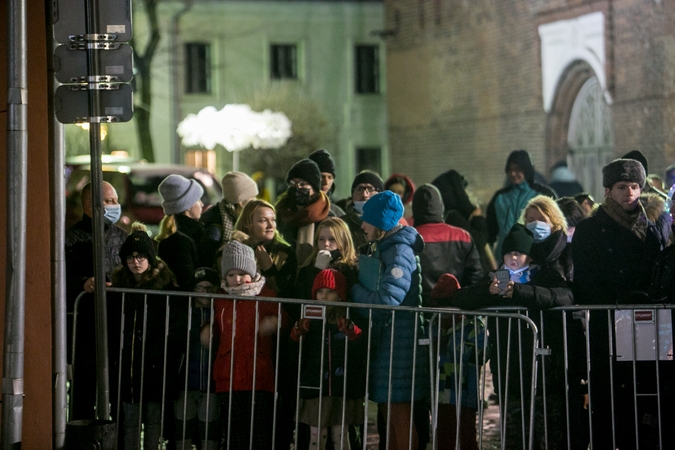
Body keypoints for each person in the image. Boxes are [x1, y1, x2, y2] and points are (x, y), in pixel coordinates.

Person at [451, 224, 578, 449]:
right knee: (514, 437)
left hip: (543, 371)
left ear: (529, 256)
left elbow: (564, 297)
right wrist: (486, 291)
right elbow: (462, 299)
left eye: (518, 253)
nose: (513, 258)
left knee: (549, 436)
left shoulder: (544, 275)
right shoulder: (495, 279)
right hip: (509, 371)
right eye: (509, 253)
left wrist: (520, 292)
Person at [573, 158, 669, 450]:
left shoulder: (650, 230)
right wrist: (613, 303)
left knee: (645, 398)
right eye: (622, 186)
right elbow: (585, 280)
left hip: (645, 325)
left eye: (634, 186)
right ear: (608, 191)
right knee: (611, 396)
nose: (629, 192)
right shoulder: (590, 229)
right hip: (609, 324)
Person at [351, 191, 428, 450]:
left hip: (400, 344)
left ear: (381, 223)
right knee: (391, 415)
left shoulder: (398, 252)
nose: (362, 225)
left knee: (399, 416)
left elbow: (388, 301)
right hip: (392, 342)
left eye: (367, 219)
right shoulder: (389, 248)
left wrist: (353, 291)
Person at [108, 223, 180, 450]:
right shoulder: (119, 286)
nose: (135, 262)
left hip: (155, 365)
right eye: (130, 257)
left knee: (153, 421)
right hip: (128, 365)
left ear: (150, 258)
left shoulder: (165, 287)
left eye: (140, 257)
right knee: (130, 421)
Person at [204, 240, 281, 450]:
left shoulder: (266, 296)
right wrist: (208, 331)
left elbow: (283, 316)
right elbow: (214, 324)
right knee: (234, 429)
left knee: (258, 428)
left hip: (259, 373)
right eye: (230, 274)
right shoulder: (220, 298)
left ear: (252, 271)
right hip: (228, 374)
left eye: (241, 273)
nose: (237, 279)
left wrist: (275, 322)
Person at [65, 181, 128, 420]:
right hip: (85, 328)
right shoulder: (71, 239)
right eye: (109, 201)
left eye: (115, 201)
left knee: (118, 386)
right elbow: (61, 280)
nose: (115, 206)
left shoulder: (122, 237)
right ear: (90, 205)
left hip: (116, 324)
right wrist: (84, 283)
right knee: (84, 387)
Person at [290, 269, 365, 450]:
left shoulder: (349, 317)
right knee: (316, 437)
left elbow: (361, 348)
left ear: (339, 295)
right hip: (316, 388)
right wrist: (299, 331)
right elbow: (295, 346)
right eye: (320, 291)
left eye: (330, 291)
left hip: (342, 389)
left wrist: (352, 333)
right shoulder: (308, 316)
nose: (324, 296)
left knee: (341, 436)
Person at [430, 274, 484, 450]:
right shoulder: (434, 324)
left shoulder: (472, 325)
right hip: (441, 393)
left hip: (466, 392)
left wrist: (448, 343)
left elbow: (481, 352)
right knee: (443, 436)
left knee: (466, 435)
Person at [174, 267, 221, 450]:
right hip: (185, 382)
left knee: (209, 429)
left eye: (209, 288)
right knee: (182, 429)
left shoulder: (219, 315)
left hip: (211, 383)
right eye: (199, 288)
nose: (204, 292)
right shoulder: (184, 314)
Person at [412, 184, 483, 305]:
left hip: (419, 310)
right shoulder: (462, 236)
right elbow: (475, 276)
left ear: (415, 208)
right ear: (440, 206)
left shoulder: (409, 237)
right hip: (455, 310)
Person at [486, 149, 556, 259]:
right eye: (510, 170)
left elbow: (557, 226)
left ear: (526, 169)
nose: (513, 174)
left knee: (527, 277)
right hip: (504, 259)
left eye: (518, 170)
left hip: (533, 258)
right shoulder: (500, 197)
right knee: (502, 277)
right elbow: (490, 231)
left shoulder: (544, 194)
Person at [233, 199, 297, 299]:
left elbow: (287, 293)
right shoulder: (233, 250)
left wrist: (269, 269)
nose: (271, 226)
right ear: (247, 223)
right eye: (263, 220)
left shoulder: (285, 253)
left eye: (273, 220)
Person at [276, 159, 332, 265]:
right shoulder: (280, 213)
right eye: (293, 183)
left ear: (315, 189)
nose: (297, 188)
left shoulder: (328, 218)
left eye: (303, 184)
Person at [156, 174, 207, 290]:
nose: (202, 204)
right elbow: (187, 280)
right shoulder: (180, 242)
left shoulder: (176, 235)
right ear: (188, 206)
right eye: (198, 200)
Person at [199, 171, 259, 268]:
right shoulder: (215, 228)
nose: (256, 202)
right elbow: (208, 262)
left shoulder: (229, 215)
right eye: (253, 198)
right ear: (242, 202)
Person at [294, 217, 359, 302]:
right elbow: (302, 298)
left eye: (332, 239)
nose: (326, 244)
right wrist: (317, 270)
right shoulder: (306, 270)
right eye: (321, 239)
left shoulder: (352, 268)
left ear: (343, 242)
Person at [339, 170, 384, 250]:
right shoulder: (341, 225)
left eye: (370, 190)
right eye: (359, 189)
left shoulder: (388, 224)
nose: (364, 195)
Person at [309, 148, 345, 217]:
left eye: (330, 177)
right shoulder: (290, 210)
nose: (326, 182)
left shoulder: (338, 214)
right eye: (321, 177)